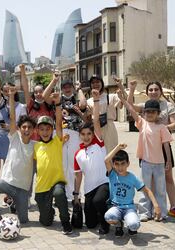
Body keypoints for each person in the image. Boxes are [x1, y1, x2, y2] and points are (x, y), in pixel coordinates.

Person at [127, 81, 175, 219]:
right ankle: (149, 210)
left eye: (156, 89)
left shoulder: (168, 105)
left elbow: (174, 125)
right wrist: (131, 89)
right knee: (147, 182)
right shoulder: (145, 106)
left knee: (166, 179)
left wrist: (161, 127)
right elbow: (130, 106)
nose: (153, 91)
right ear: (147, 92)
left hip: (163, 148)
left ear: (161, 91)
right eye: (151, 89)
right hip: (147, 151)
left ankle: (172, 207)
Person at [0, 86, 36, 233]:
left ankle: (15, 203)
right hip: (8, 183)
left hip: (22, 190)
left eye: (29, 128)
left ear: (33, 131)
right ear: (19, 129)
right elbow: (13, 119)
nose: (26, 130)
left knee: (24, 221)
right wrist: (12, 96)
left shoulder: (36, 146)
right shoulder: (14, 137)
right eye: (24, 127)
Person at [118, 90, 172, 221]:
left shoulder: (162, 127)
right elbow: (131, 110)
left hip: (159, 163)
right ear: (144, 113)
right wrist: (123, 100)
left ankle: (161, 212)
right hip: (146, 163)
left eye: (153, 112)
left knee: (160, 189)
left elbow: (166, 145)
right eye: (147, 111)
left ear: (158, 113)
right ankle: (145, 212)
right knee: (145, 188)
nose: (150, 114)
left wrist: (168, 161)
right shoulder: (142, 123)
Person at [43, 74, 87, 201]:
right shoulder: (57, 99)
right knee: (60, 163)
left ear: (73, 88)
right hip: (59, 131)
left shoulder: (77, 98)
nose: (67, 89)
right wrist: (54, 80)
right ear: (62, 88)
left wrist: (79, 89)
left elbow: (83, 104)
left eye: (69, 87)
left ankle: (74, 194)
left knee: (74, 164)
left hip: (74, 132)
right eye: (65, 87)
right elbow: (45, 96)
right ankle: (61, 195)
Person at [34, 92, 72, 235]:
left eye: (48, 129)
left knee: (59, 192)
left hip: (57, 182)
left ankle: (65, 221)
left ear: (52, 130)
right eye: (42, 129)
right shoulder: (36, 146)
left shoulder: (57, 141)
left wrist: (57, 104)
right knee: (46, 222)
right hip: (41, 187)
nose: (45, 132)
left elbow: (58, 123)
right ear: (38, 131)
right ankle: (49, 211)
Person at [73, 89, 110, 235]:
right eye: (83, 134)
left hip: (104, 183)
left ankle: (107, 222)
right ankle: (100, 216)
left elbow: (95, 121)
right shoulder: (78, 154)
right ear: (80, 136)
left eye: (89, 134)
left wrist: (95, 101)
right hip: (89, 190)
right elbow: (78, 176)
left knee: (98, 201)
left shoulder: (99, 144)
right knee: (90, 224)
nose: (86, 137)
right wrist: (76, 196)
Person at [104, 143, 161, 237]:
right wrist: (117, 147)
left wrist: (156, 205)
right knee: (109, 217)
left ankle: (131, 226)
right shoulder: (112, 174)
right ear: (113, 165)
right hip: (115, 206)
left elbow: (147, 191)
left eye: (123, 164)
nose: (120, 167)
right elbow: (106, 160)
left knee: (134, 225)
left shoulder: (132, 177)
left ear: (128, 164)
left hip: (129, 208)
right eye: (117, 164)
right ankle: (119, 224)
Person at [0, 61, 27, 182]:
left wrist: (11, 127)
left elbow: (23, 126)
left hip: (11, 139)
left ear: (15, 91)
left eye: (10, 90)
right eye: (5, 91)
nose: (7, 92)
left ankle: (8, 197)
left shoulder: (21, 107)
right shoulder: (1, 103)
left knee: (8, 168)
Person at [86, 75, 124, 153]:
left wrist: (120, 85)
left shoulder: (111, 97)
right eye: (93, 83)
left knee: (111, 153)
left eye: (97, 82)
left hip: (109, 128)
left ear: (102, 83)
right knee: (97, 153)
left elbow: (124, 101)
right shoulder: (89, 101)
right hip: (96, 129)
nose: (95, 84)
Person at [20, 63, 54, 141]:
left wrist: (54, 80)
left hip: (48, 140)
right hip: (34, 140)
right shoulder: (31, 104)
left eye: (40, 91)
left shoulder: (49, 103)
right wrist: (22, 71)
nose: (38, 94)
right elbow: (25, 89)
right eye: (36, 92)